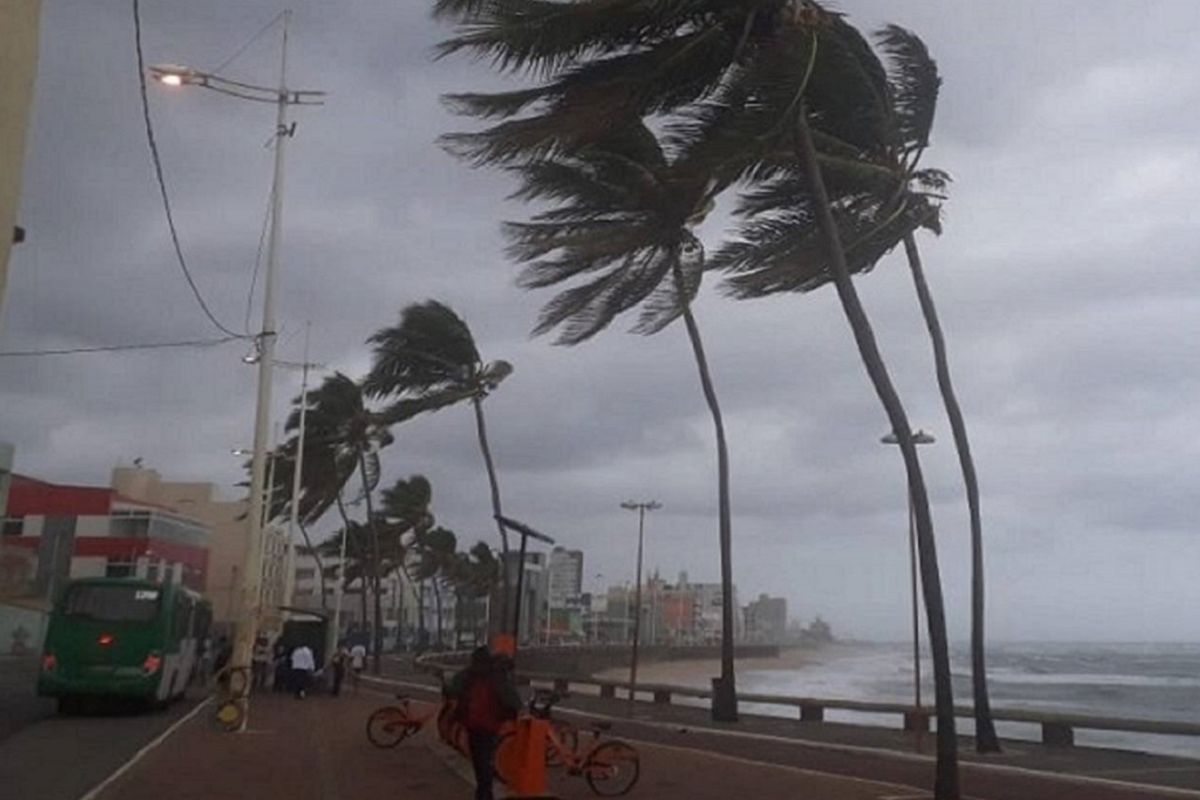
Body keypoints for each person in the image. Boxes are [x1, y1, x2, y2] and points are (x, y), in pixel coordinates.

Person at [448, 647, 521, 800]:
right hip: (490, 725)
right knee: (486, 762)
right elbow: (513, 701)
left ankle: (483, 793)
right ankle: (485, 794)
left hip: (472, 724)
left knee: (479, 762)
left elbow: (453, 686)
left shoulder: (469, 675)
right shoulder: (496, 677)